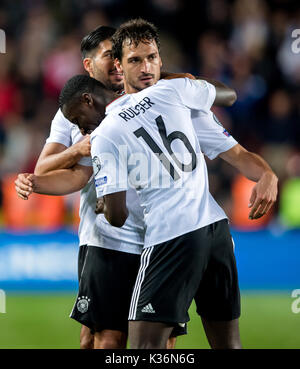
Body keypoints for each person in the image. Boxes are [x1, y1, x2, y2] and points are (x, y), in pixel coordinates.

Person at [53, 19, 277, 349]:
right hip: (216, 232)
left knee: (143, 348)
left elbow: (115, 214)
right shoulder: (181, 93)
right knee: (228, 344)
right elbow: (233, 120)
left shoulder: (106, 132)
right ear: (119, 66)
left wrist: (106, 200)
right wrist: (267, 173)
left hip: (172, 236)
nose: (146, 67)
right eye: (136, 60)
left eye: (152, 58)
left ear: (160, 59)